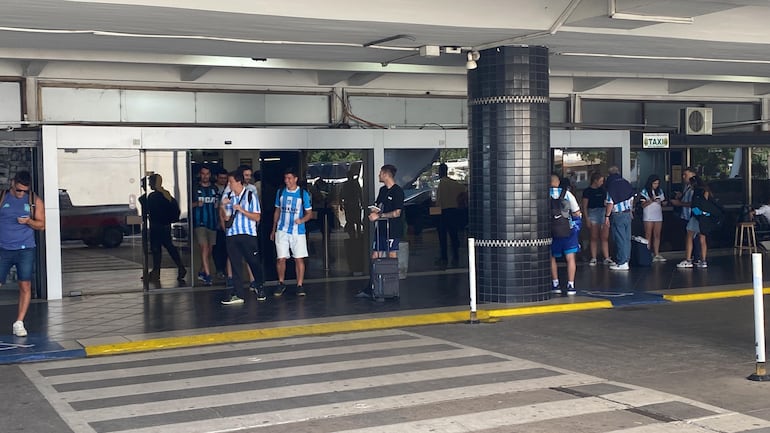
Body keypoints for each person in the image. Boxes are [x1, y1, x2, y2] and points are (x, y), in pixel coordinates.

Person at [0, 171, 45, 337]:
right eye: (19, 190)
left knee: (25, 285)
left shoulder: (34, 201)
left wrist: (28, 221)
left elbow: (41, 225)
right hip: (3, 248)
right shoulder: (3, 197)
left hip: (25, 249)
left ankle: (19, 322)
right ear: (12, 183)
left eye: (24, 191)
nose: (21, 194)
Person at [356, 164, 405, 298]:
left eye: (380, 173)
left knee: (391, 256)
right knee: (375, 256)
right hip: (381, 230)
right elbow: (378, 206)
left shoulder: (398, 192)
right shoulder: (383, 190)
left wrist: (380, 216)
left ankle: (391, 288)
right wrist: (374, 210)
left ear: (385, 174)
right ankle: (373, 286)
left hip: (392, 230)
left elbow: (397, 213)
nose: (379, 175)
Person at [219, 170, 264, 304]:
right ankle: (238, 293)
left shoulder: (250, 196)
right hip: (232, 234)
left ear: (238, 182)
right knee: (235, 264)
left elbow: (257, 216)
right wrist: (223, 206)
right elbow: (226, 217)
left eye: (231, 182)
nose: (229, 184)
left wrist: (242, 210)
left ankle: (259, 285)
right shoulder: (228, 196)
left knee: (253, 261)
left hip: (248, 234)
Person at [270, 168, 314, 297]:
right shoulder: (281, 192)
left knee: (298, 258)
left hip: (297, 231)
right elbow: (277, 211)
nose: (287, 181)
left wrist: (302, 220)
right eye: (285, 178)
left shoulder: (302, 193)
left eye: (289, 178)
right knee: (280, 258)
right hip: (282, 229)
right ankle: (281, 282)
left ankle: (300, 284)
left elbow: (309, 213)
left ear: (295, 179)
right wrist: (273, 229)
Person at [146, 173, 186, 281]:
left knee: (156, 250)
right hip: (166, 226)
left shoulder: (153, 196)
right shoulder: (166, 195)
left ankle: (156, 272)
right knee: (170, 247)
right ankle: (180, 267)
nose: (149, 185)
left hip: (156, 226)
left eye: (150, 182)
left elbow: (149, 211)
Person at [550, 175, 582, 295]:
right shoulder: (567, 194)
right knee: (570, 258)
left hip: (551, 231)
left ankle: (555, 283)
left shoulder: (544, 194)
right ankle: (571, 285)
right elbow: (576, 212)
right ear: (558, 182)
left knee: (551, 257)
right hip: (567, 230)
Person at [436, 163, 468, 269]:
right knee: (453, 235)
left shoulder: (442, 183)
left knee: (443, 236)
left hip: (443, 212)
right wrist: (460, 201)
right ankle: (456, 255)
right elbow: (464, 190)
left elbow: (439, 201)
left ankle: (444, 257)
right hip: (454, 211)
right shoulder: (453, 183)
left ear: (441, 171)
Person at [191, 165, 219, 285]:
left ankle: (202, 271)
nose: (205, 176)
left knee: (210, 250)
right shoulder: (194, 188)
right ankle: (208, 275)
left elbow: (218, 205)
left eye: (207, 174)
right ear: (200, 175)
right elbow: (187, 205)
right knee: (204, 248)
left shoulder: (214, 189)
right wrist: (196, 203)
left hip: (212, 222)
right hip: (200, 222)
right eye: (203, 174)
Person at [604, 166, 634, 271]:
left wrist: (607, 216)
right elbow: (631, 199)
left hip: (618, 214)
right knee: (626, 238)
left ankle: (622, 262)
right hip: (627, 214)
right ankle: (626, 260)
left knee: (620, 238)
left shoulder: (611, 185)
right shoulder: (626, 183)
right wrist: (631, 211)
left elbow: (610, 203)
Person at [669, 167, 701, 268]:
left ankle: (695, 258)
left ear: (692, 175)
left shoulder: (696, 188)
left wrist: (680, 203)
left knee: (694, 237)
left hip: (693, 215)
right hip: (685, 215)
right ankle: (693, 257)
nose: (683, 177)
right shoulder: (687, 187)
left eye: (685, 175)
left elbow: (694, 203)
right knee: (690, 237)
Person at [581, 172, 611, 266]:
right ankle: (594, 257)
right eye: (601, 181)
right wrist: (587, 219)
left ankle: (606, 257)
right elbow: (584, 206)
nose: (602, 183)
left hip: (603, 212)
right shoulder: (587, 191)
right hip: (592, 213)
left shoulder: (603, 190)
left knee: (604, 237)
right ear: (595, 180)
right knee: (594, 237)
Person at [685, 176, 714, 269]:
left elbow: (694, 205)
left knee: (689, 235)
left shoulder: (696, 192)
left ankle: (688, 259)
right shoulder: (706, 191)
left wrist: (697, 214)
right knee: (702, 238)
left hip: (697, 216)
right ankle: (703, 260)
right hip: (705, 217)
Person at [639, 174, 667, 262]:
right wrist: (651, 200)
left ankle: (656, 253)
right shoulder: (644, 191)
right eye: (654, 183)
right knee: (648, 235)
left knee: (657, 235)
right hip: (648, 215)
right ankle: (648, 253)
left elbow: (664, 202)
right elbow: (642, 205)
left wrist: (663, 202)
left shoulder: (660, 191)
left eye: (657, 183)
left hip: (658, 214)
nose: (656, 185)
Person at [212, 169, 229, 279]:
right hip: (215, 222)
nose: (223, 180)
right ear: (217, 177)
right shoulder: (213, 189)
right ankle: (219, 269)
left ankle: (225, 269)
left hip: (227, 222)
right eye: (221, 178)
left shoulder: (229, 188)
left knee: (226, 248)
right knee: (217, 248)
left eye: (225, 178)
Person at [340, 169, 363, 238]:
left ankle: (356, 235)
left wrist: (361, 202)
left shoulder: (353, 184)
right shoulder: (347, 184)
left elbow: (360, 194)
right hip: (350, 204)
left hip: (353, 204)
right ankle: (353, 235)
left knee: (355, 221)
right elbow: (341, 195)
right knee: (351, 221)